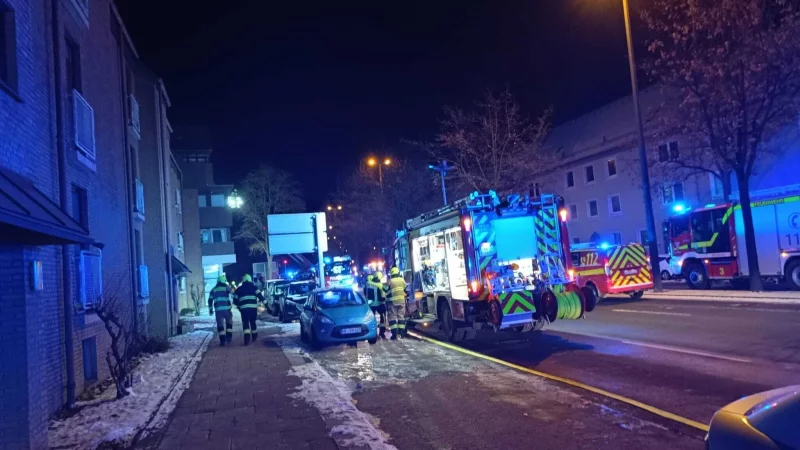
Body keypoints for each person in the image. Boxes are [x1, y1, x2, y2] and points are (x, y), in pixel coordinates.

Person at [233, 274, 263, 345]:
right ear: (250, 280)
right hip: (253, 309)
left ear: (243, 280)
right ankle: (254, 336)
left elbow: (234, 300)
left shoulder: (239, 289)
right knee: (253, 322)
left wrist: (239, 306)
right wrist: (267, 305)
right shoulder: (254, 287)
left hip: (244, 309)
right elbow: (261, 297)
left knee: (245, 323)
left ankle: (246, 339)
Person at [208, 275, 233, 346]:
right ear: (224, 281)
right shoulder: (226, 287)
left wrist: (210, 309)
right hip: (227, 309)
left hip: (218, 310)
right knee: (229, 322)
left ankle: (222, 341)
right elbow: (233, 293)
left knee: (220, 325)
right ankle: (229, 337)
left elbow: (210, 300)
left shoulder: (213, 289)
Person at [385, 266, 407, 340]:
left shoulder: (390, 281)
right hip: (401, 301)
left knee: (392, 318)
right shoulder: (402, 280)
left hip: (392, 302)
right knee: (401, 317)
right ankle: (402, 334)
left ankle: (394, 335)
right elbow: (405, 289)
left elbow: (385, 290)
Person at [365, 271, 387, 339]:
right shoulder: (380, 285)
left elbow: (365, 292)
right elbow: (385, 291)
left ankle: (373, 333)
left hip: (371, 305)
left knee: (372, 320)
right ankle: (382, 333)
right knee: (383, 319)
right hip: (380, 304)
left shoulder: (368, 284)